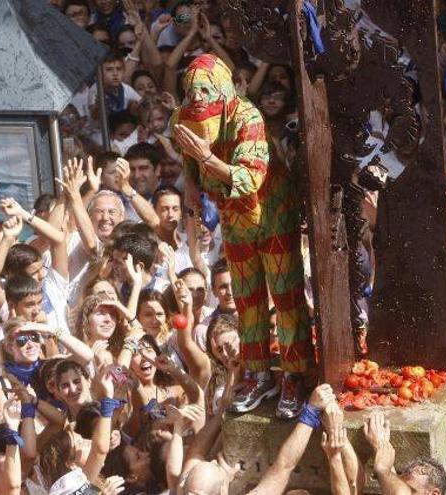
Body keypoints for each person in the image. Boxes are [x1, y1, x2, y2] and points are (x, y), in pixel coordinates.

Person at [173, 53, 312, 418]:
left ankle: (296, 376)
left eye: (205, 89)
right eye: (191, 90)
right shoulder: (186, 116)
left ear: (222, 88)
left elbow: (250, 178)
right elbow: (186, 154)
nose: (198, 97)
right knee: (246, 300)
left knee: (285, 298)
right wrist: (191, 183)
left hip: (272, 213)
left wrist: (206, 159)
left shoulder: (247, 118)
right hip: (234, 220)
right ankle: (258, 372)